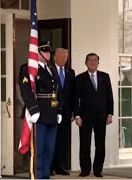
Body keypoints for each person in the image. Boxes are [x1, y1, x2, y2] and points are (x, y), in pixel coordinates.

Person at [19, 41, 62, 179]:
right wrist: (33, 109)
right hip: (39, 114)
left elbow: (57, 92)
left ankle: (45, 175)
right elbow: (26, 91)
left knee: (49, 149)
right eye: (44, 51)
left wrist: (59, 110)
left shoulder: (52, 70)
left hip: (51, 114)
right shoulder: (30, 69)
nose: (48, 54)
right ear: (37, 53)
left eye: (49, 51)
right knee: (38, 150)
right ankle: (37, 176)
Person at [74, 53, 114, 178]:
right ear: (86, 63)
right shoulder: (79, 78)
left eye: (95, 60)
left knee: (100, 144)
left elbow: (109, 97)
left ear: (98, 63)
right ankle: (85, 170)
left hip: (101, 116)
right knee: (84, 144)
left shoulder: (105, 77)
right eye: (90, 60)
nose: (92, 62)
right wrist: (77, 116)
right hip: (84, 117)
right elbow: (75, 99)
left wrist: (110, 114)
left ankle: (98, 170)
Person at [51, 48, 75, 176]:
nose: (63, 59)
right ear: (54, 57)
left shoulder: (70, 72)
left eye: (65, 57)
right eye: (60, 56)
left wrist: (73, 111)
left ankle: (61, 166)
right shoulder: (49, 70)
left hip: (66, 112)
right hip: (52, 111)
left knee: (63, 140)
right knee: (51, 140)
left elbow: (73, 93)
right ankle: (50, 167)